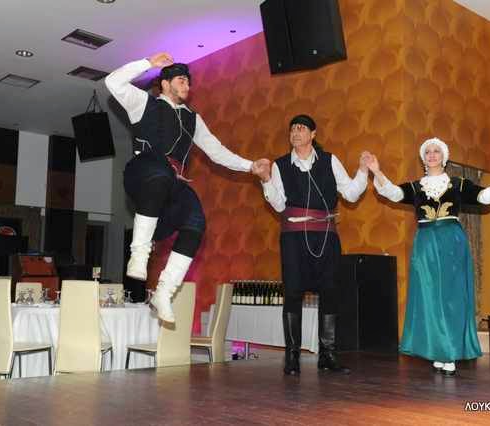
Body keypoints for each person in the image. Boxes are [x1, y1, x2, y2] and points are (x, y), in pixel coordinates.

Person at [105, 52, 269, 323]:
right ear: (165, 84)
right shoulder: (143, 103)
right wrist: (148, 64)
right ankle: (139, 254)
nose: (187, 86)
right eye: (181, 80)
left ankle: (164, 291)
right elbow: (112, 82)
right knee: (159, 173)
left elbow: (217, 151)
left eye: (189, 82)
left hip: (171, 184)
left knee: (196, 220)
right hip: (141, 174)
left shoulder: (193, 119)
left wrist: (250, 166)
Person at [364, 138, 490, 376]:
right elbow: (394, 193)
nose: (432, 154)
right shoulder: (416, 187)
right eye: (428, 152)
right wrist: (377, 171)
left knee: (452, 297)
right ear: (423, 158)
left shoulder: (458, 184)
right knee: (429, 298)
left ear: (444, 157)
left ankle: (449, 351)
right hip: (425, 246)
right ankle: (437, 349)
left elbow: (485, 197)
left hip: (452, 243)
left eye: (436, 151)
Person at [258, 114, 368, 375]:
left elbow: (351, 194)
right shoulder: (280, 165)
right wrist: (265, 179)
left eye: (301, 128)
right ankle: (292, 358)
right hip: (294, 237)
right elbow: (279, 205)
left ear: (313, 134)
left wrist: (363, 171)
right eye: (292, 129)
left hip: (326, 235)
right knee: (293, 292)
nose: (295, 133)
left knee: (330, 291)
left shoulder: (329, 160)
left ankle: (328, 355)